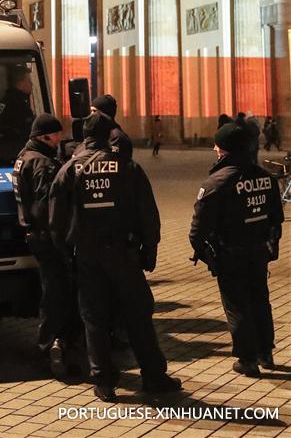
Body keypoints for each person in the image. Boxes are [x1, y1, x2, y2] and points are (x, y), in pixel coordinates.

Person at [50, 111, 181, 401]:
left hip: (87, 256)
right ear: (110, 135)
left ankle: (104, 382)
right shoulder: (128, 167)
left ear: (85, 136)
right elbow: (149, 217)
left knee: (94, 318)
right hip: (124, 253)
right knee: (138, 316)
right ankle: (154, 377)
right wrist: (150, 252)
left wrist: (67, 256)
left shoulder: (69, 170)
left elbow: (56, 223)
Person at [189, 122, 284, 376]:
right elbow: (276, 218)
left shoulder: (216, 182)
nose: (214, 149)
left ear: (226, 150)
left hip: (230, 252)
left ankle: (247, 358)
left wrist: (206, 254)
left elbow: (197, 230)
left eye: (217, 145)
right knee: (260, 300)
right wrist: (272, 246)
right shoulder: (265, 178)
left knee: (237, 305)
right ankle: (266, 352)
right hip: (258, 251)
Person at [12, 113, 76, 378]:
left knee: (53, 288)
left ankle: (52, 342)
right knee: (57, 291)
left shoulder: (23, 157)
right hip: (47, 238)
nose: (60, 138)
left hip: (33, 235)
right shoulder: (42, 163)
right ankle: (51, 345)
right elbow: (45, 206)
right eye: (56, 134)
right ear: (44, 136)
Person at [0, 64, 34, 143]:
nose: (31, 84)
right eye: (29, 81)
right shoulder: (19, 104)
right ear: (21, 83)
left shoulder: (4, 100)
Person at [91, 94, 133, 160]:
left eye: (94, 111)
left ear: (104, 113)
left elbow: (116, 162)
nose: (91, 115)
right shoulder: (98, 131)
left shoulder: (116, 138)